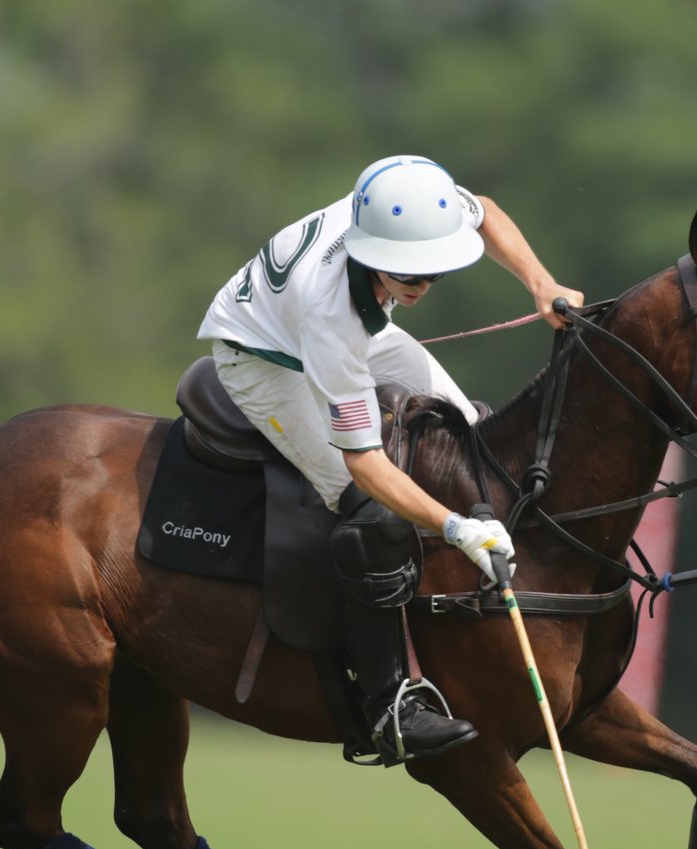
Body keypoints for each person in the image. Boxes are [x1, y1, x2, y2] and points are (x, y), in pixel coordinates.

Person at [197, 154, 584, 764]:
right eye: (407, 274)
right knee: (374, 515)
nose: (421, 286)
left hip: (359, 332)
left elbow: (485, 212)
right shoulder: (330, 311)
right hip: (266, 360)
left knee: (474, 442)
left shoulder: (410, 204)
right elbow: (366, 467)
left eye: (432, 273)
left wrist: (542, 283)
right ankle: (388, 709)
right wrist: (456, 529)